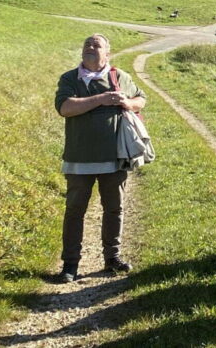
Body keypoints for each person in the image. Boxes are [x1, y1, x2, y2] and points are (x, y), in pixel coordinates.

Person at [54, 34, 146, 282]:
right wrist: (102, 99)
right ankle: (70, 265)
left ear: (108, 53)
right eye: (87, 45)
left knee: (114, 210)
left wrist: (128, 102)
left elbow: (141, 99)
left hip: (114, 158)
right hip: (78, 159)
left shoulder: (119, 77)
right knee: (75, 211)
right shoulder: (70, 79)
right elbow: (66, 108)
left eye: (96, 45)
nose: (90, 48)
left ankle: (112, 259)